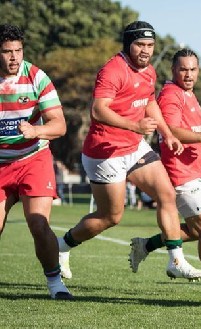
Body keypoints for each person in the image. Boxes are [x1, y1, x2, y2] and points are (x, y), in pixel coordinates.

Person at [57, 21, 201, 282]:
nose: (146, 51)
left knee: (166, 194)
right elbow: (98, 110)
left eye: (150, 45)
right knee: (110, 216)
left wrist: (167, 133)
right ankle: (63, 246)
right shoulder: (113, 70)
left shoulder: (149, 71)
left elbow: (149, 102)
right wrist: (134, 125)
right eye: (140, 45)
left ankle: (176, 261)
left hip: (134, 146)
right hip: (106, 152)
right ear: (128, 45)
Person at [129, 48, 201, 295]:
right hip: (181, 173)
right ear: (173, 70)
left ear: (198, 71)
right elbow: (169, 129)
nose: (188, 74)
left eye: (193, 69)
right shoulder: (171, 95)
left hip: (193, 171)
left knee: (196, 230)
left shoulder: (188, 94)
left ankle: (146, 245)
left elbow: (189, 132)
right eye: (183, 69)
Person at [0, 24, 72, 300]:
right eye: (7, 51)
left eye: (18, 50)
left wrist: (36, 131)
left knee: (38, 224)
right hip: (1, 164)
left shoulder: (36, 77)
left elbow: (60, 125)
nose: (14, 57)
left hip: (33, 158)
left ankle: (55, 283)